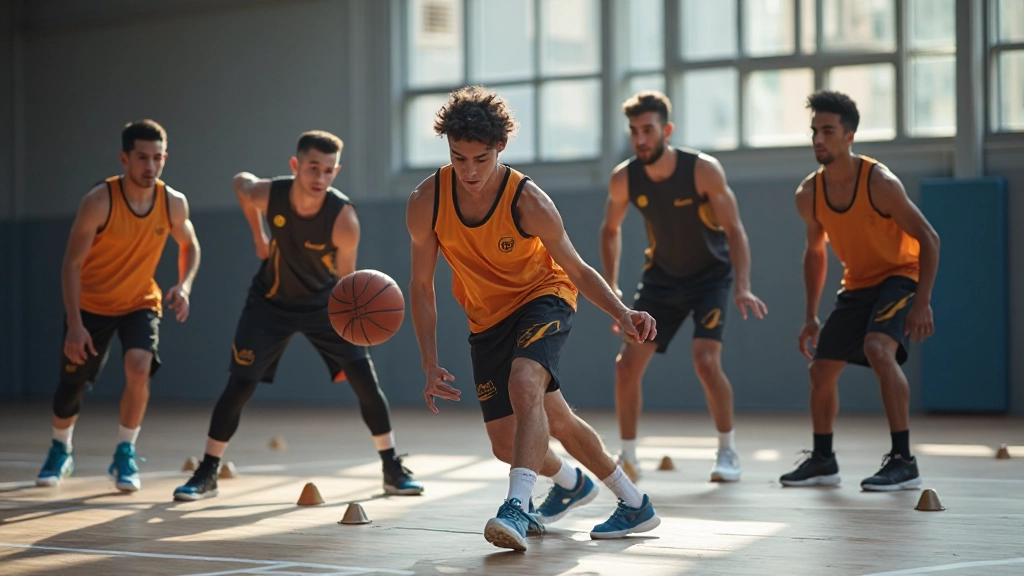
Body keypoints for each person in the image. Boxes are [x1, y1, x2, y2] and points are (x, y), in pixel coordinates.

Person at [406, 86, 661, 552]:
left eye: (480, 159)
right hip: (486, 319)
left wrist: (622, 312)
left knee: (526, 383)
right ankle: (619, 497)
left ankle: (517, 508)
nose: (469, 171)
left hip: (543, 295)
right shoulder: (427, 201)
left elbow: (579, 268)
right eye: (458, 158)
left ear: (500, 147)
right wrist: (429, 360)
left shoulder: (528, 201)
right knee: (528, 433)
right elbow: (421, 287)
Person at [173, 131, 422, 501]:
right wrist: (258, 233)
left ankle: (391, 467)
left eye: (327, 170)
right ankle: (208, 471)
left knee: (365, 381)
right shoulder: (270, 194)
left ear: (336, 171)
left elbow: (347, 285)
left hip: (326, 305)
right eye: (311, 168)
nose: (319, 177)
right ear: (295, 166)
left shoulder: (343, 219)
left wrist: (353, 329)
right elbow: (240, 183)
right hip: (269, 303)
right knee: (239, 386)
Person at [600, 91, 767, 483]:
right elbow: (610, 231)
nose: (639, 139)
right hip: (661, 279)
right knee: (626, 368)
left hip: (710, 276)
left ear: (667, 131)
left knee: (706, 362)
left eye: (648, 130)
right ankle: (627, 459)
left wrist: (742, 285)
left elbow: (735, 229)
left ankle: (727, 453)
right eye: (634, 131)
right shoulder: (625, 177)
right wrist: (611, 290)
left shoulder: (703, 170)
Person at [781, 90, 940, 490]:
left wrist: (922, 301)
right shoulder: (809, 194)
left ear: (849, 135)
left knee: (877, 348)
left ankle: (904, 460)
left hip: (901, 276)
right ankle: (823, 460)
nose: (819, 139)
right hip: (858, 284)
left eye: (828, 131)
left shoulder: (880, 182)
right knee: (820, 369)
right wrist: (810, 316)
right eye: (815, 131)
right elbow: (815, 254)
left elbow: (929, 238)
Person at [37, 119, 201, 492]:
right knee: (72, 382)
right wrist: (75, 324)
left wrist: (184, 285)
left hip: (139, 302)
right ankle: (60, 450)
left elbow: (190, 245)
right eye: (142, 157)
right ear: (124, 159)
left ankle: (124, 452)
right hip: (91, 305)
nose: (150, 166)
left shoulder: (172, 202)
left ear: (165, 159)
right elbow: (71, 264)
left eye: (157, 158)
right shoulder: (98, 202)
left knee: (140, 367)